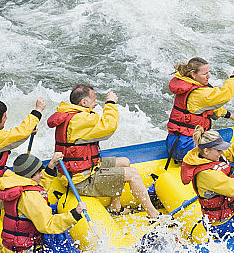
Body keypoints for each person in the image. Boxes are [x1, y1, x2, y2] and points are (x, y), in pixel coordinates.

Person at [47, 84, 160, 219]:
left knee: (125, 162)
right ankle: (153, 214)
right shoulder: (79, 119)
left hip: (84, 168)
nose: (95, 104)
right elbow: (108, 127)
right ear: (84, 102)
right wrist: (110, 103)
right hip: (80, 180)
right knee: (133, 174)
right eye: (93, 100)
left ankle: (115, 206)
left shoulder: (71, 114)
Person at [0, 152, 87, 253]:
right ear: (29, 176)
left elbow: (38, 187)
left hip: (16, 246)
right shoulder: (30, 198)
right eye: (38, 173)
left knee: (53, 209)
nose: (41, 175)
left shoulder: (16, 183)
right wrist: (75, 213)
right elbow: (48, 225)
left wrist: (51, 165)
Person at [166, 57, 234, 163]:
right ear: (193, 74)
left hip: (176, 142)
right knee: (228, 158)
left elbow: (207, 106)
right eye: (204, 74)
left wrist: (228, 114)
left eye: (208, 72)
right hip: (185, 146)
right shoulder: (198, 93)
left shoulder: (189, 85)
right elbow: (224, 95)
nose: (208, 76)